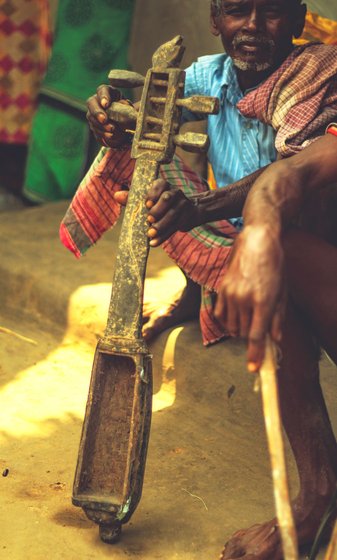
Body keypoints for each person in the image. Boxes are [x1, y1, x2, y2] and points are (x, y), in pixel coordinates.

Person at [64, 1, 337, 558]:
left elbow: (292, 177)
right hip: (244, 231)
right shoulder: (209, 76)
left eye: (273, 13)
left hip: (303, 246)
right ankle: (197, 292)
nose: (254, 29)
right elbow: (141, 101)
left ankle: (317, 498)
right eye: (238, 11)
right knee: (154, 170)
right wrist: (108, 111)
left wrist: (207, 211)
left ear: (299, 18)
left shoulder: (315, 80)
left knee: (271, 250)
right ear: (215, 19)